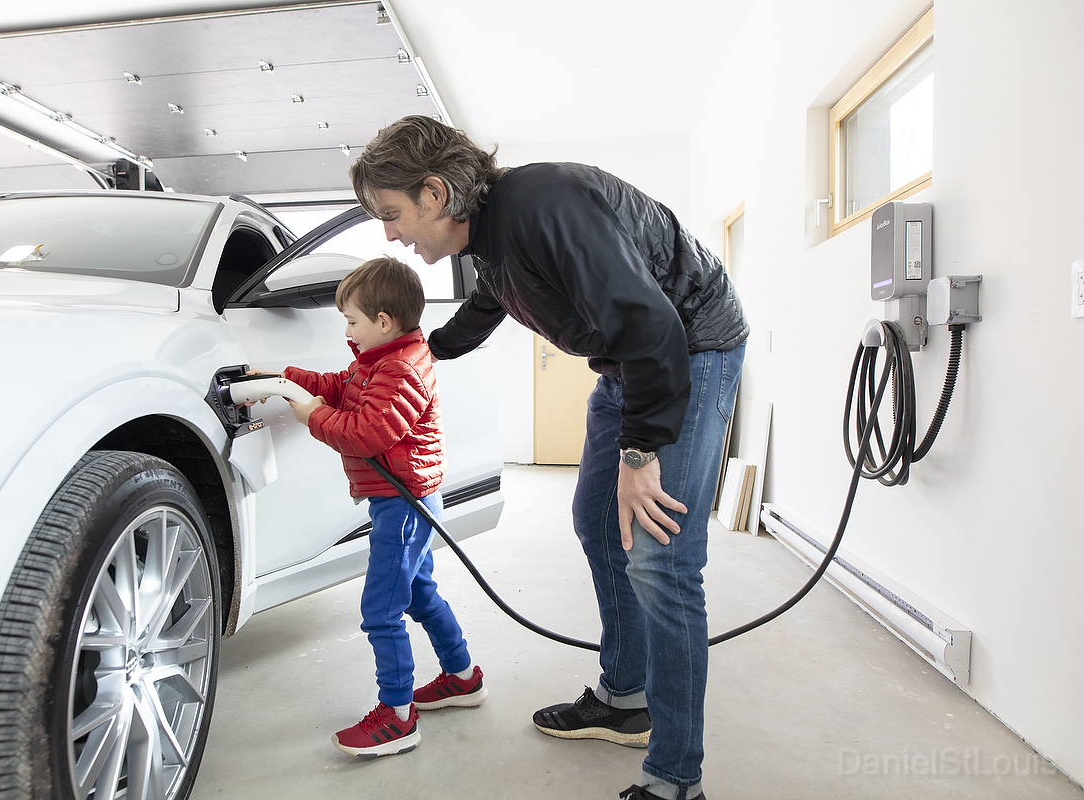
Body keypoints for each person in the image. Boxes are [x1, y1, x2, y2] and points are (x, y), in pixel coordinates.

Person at [350, 116, 749, 799]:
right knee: (597, 523)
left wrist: (640, 453)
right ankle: (626, 697)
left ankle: (677, 779)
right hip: (629, 364)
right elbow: (491, 298)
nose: (390, 234)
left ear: (435, 194)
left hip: (687, 350)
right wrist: (424, 350)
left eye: (391, 214)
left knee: (662, 558)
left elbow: (653, 327)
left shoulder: (543, 207)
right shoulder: (490, 235)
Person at [280, 255, 487, 757]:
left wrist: (312, 417)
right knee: (418, 594)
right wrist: (284, 379)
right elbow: (341, 386)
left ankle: (397, 716)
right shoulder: (379, 358)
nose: (347, 331)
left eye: (352, 321)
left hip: (404, 505)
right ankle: (462, 677)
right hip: (406, 500)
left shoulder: (400, 369)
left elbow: (366, 433)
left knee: (381, 609)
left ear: (383, 321)